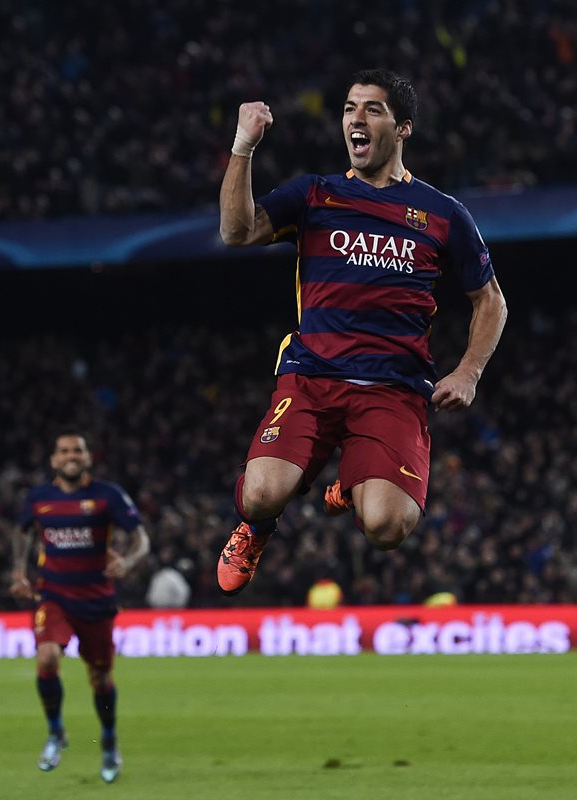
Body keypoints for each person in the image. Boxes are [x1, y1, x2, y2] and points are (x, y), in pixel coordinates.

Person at [215, 69, 507, 596]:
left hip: (393, 387)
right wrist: (243, 147)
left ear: (403, 129)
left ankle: (354, 481)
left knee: (386, 528)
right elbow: (236, 231)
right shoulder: (314, 195)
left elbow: (490, 300)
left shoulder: (442, 215)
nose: (356, 118)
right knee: (260, 494)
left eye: (372, 109)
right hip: (312, 376)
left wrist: (468, 371)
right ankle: (256, 530)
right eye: (350, 108)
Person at [10, 431, 150, 782]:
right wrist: (18, 571)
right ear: (54, 460)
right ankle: (56, 732)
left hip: (96, 601)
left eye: (78, 450)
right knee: (47, 657)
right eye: (64, 451)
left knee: (100, 679)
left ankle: (108, 740)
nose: (71, 455)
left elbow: (141, 538)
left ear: (88, 458)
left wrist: (129, 562)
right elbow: (21, 531)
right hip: (53, 596)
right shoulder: (39, 498)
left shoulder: (107, 495)